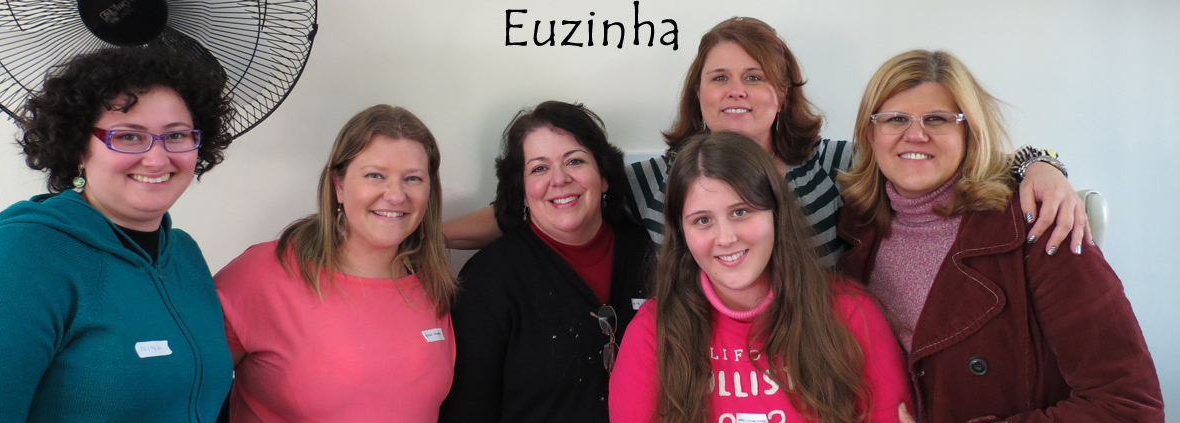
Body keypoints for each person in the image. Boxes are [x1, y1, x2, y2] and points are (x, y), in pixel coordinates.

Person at [836, 50, 1164, 423]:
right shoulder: (854, 234)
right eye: (895, 119)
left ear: (970, 132)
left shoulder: (1039, 226)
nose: (914, 134)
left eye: (938, 119)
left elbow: (1129, 407)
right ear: (870, 132)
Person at [443, 17, 1088, 262]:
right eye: (719, 78)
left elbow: (944, 159)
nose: (737, 91)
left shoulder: (839, 167)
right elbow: (539, 206)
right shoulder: (654, 181)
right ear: (697, 94)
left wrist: (1044, 166)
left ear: (782, 94)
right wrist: (425, 234)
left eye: (755, 77)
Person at [0, 46, 234, 423]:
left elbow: (183, 402)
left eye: (176, 135)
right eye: (128, 136)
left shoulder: (184, 257)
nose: (157, 157)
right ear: (79, 147)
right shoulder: (22, 257)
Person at [608, 131, 912, 423]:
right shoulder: (652, 332)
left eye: (741, 211)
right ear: (681, 232)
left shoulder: (852, 314)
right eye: (702, 220)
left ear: (775, 212)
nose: (726, 237)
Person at [208, 105, 456, 423]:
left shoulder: (434, 288)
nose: (395, 194)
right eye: (375, 175)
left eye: (413, 179)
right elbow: (174, 401)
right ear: (339, 185)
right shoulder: (263, 275)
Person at [428, 101, 651, 423]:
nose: (559, 179)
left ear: (605, 176)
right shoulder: (491, 280)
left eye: (575, 161)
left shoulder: (652, 253)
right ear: (521, 188)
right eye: (539, 168)